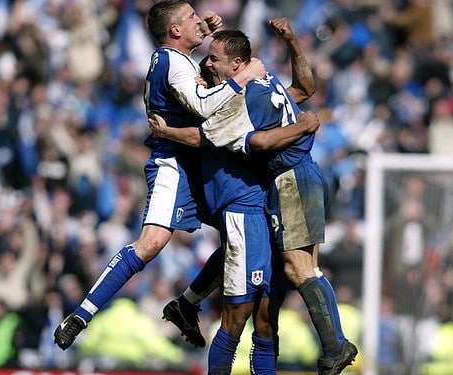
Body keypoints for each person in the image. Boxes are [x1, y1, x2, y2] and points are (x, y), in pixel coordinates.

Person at [53, 0, 265, 349]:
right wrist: (244, 75)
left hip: (196, 164)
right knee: (151, 243)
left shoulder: (173, 60)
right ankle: (81, 314)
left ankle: (186, 305)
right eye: (192, 18)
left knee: (236, 236)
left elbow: (193, 85)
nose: (200, 18)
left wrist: (211, 37)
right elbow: (202, 104)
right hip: (175, 166)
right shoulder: (173, 62)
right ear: (176, 30)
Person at [149, 25, 358, 374]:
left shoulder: (242, 101)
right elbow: (306, 88)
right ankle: (188, 303)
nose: (208, 64)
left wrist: (167, 132)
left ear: (237, 65)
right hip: (296, 181)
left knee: (296, 271)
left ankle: (335, 346)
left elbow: (223, 139)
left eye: (215, 59)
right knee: (267, 305)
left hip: (289, 181)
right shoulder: (268, 81)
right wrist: (292, 40)